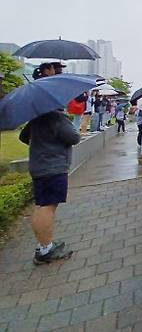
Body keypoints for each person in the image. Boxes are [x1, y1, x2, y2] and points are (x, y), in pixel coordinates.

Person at [19, 110, 80, 264]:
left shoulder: (37, 116)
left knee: (41, 206)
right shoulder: (56, 117)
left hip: (39, 167)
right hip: (53, 168)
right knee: (47, 207)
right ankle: (46, 250)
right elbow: (74, 137)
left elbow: (23, 137)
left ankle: (44, 245)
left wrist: (43, 143)